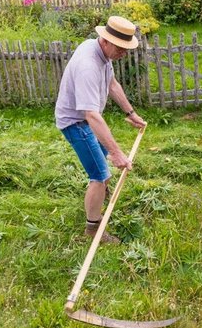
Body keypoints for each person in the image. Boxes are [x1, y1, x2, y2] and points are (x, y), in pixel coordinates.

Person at [55, 15, 147, 243]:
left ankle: (96, 201)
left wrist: (131, 113)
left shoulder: (99, 51)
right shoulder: (88, 66)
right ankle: (93, 229)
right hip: (75, 123)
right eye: (121, 48)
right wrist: (117, 153)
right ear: (105, 40)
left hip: (86, 119)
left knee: (100, 168)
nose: (124, 53)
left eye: (127, 48)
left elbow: (112, 84)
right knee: (100, 174)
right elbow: (91, 115)